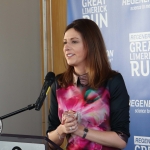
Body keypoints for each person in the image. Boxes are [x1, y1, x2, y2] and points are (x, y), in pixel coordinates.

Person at [47, 18, 130, 150]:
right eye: (65, 43)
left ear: (90, 45)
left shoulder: (112, 81)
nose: (66, 48)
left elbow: (121, 139)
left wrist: (80, 130)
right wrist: (62, 130)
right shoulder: (58, 84)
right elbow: (50, 140)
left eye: (74, 42)